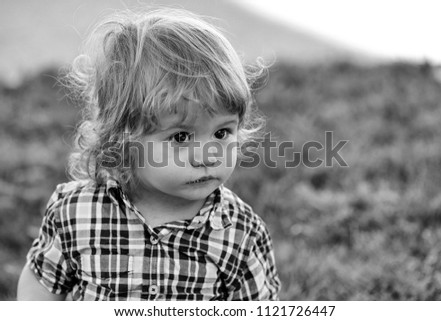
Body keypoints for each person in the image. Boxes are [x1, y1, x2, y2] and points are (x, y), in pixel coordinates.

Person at [17, 7, 281, 301]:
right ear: (122, 138)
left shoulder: (241, 233)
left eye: (222, 132)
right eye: (181, 137)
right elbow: (41, 283)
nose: (208, 155)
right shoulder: (76, 213)